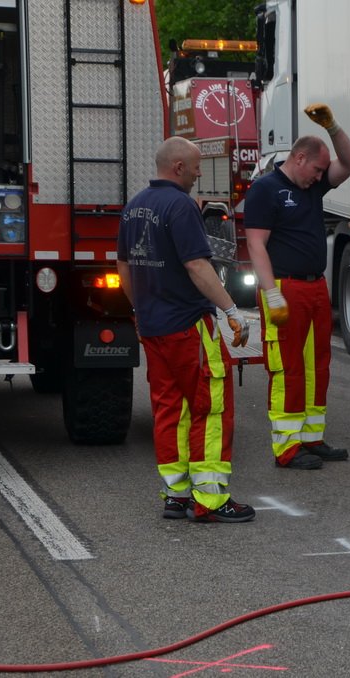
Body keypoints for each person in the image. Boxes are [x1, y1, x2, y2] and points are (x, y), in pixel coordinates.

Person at [116, 136, 254, 523]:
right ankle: (210, 499)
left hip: (153, 326)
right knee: (211, 408)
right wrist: (232, 310)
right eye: (195, 167)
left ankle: (175, 495)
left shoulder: (135, 207)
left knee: (168, 409)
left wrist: (139, 308)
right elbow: (197, 266)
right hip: (189, 327)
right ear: (178, 167)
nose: (198, 173)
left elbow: (123, 265)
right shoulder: (179, 206)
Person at [244, 103, 350, 470]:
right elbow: (256, 243)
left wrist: (334, 126)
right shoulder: (266, 189)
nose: (321, 176)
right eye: (317, 168)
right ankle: (287, 447)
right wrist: (270, 291)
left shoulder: (311, 185)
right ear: (298, 158)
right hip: (285, 287)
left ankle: (311, 438)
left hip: (313, 288)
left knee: (317, 366)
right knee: (288, 368)